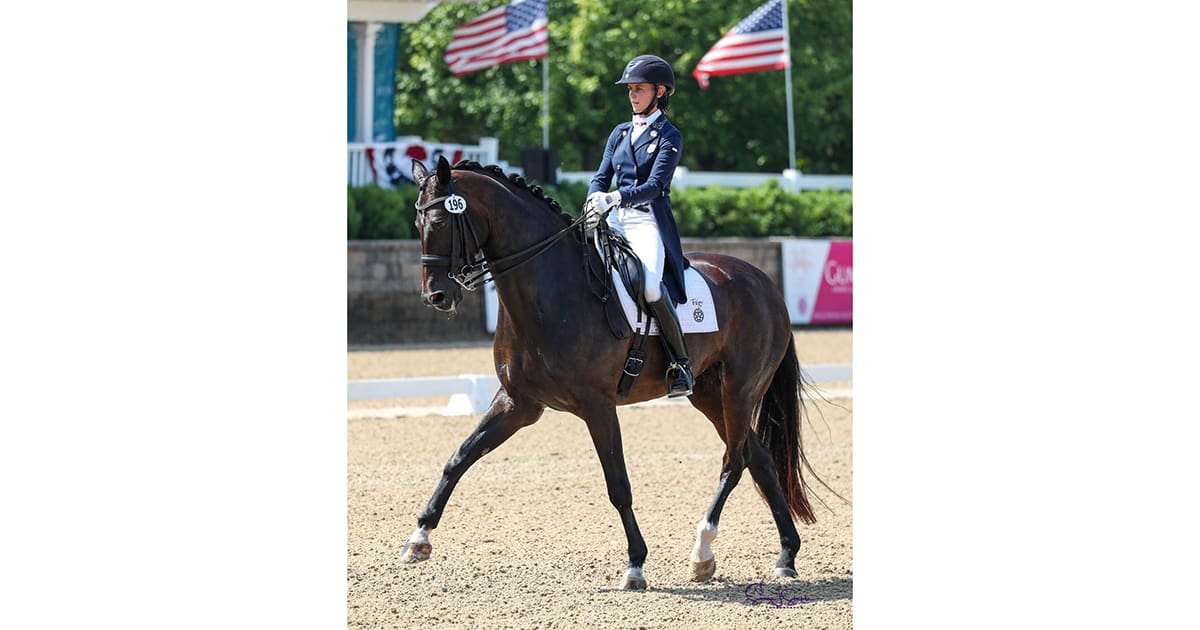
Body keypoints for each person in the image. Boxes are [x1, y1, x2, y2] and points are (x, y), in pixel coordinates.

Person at [585, 54, 694, 397]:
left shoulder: (669, 135)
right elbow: (600, 176)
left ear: (660, 92)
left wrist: (615, 198)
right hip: (612, 218)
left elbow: (656, 185)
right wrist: (594, 198)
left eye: (640, 89)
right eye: (630, 89)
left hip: (646, 221)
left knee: (649, 286)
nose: (632, 95)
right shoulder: (619, 133)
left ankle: (681, 365)